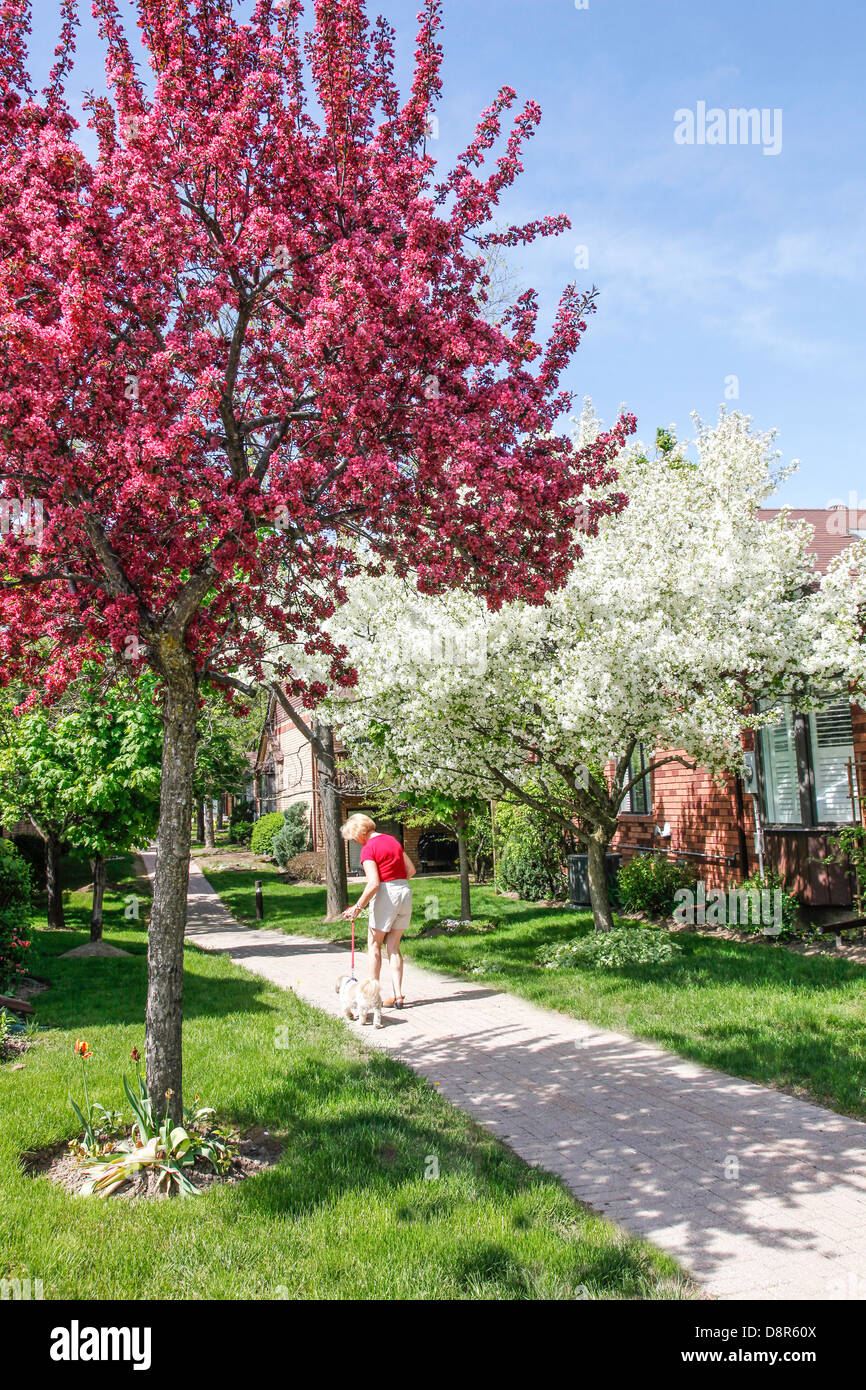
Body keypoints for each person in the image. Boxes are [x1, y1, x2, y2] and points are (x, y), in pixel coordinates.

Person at [340, 813, 416, 1009]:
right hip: (404, 892)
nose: (354, 841)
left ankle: (372, 998)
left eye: (353, 837)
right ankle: (398, 996)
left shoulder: (368, 849)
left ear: (359, 832)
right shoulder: (393, 841)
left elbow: (373, 883)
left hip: (386, 893)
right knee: (394, 947)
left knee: (374, 945)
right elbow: (411, 870)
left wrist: (357, 908)